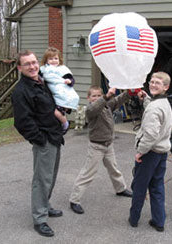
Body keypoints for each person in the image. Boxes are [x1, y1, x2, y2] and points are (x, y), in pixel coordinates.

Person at [11, 50, 64, 237]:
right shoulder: (21, 91)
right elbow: (22, 122)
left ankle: (45, 205)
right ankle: (40, 219)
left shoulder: (41, 81)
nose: (33, 66)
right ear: (19, 68)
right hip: (45, 139)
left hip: (55, 136)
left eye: (34, 62)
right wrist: (40, 140)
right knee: (41, 180)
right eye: (27, 64)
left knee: (50, 176)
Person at [68, 86, 133, 214]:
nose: (96, 98)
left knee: (114, 169)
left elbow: (118, 100)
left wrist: (130, 92)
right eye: (94, 96)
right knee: (87, 173)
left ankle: (120, 189)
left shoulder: (107, 105)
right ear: (88, 98)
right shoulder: (90, 110)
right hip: (96, 147)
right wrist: (105, 96)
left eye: (99, 95)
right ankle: (74, 200)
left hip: (108, 145)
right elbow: (95, 107)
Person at [129, 72, 172, 232]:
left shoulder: (154, 108)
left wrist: (141, 151)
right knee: (157, 187)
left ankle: (133, 219)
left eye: (158, 83)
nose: (153, 84)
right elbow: (154, 108)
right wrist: (146, 98)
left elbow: (151, 134)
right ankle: (159, 220)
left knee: (139, 187)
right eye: (152, 81)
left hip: (150, 153)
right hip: (161, 153)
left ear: (166, 87)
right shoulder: (163, 102)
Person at [39, 47, 79, 134]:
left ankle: (65, 124)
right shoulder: (43, 69)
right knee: (55, 111)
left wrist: (69, 81)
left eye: (56, 58)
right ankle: (62, 121)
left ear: (59, 59)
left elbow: (71, 80)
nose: (53, 61)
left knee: (56, 112)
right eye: (50, 59)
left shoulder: (63, 69)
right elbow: (40, 77)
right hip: (53, 92)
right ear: (46, 60)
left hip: (62, 91)